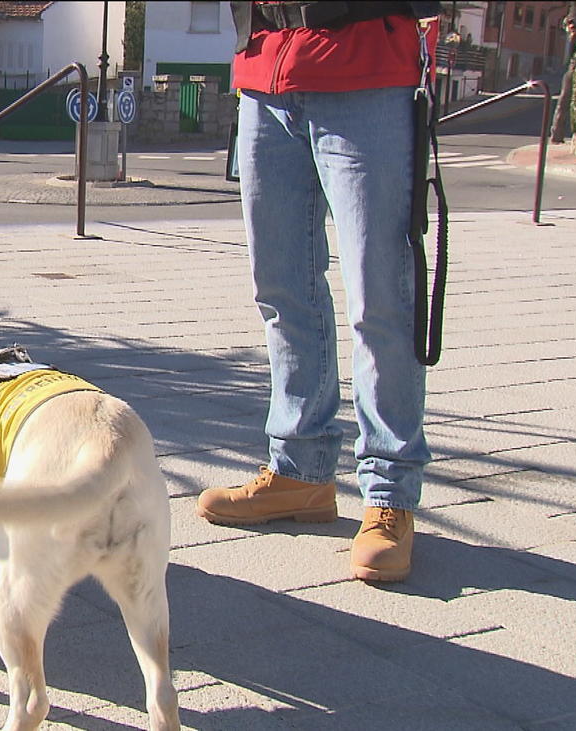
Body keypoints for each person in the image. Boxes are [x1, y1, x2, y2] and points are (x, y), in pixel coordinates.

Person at [197, 2, 442, 583]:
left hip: (367, 69)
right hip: (265, 72)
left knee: (380, 296)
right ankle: (301, 472)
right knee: (283, 291)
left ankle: (390, 493)